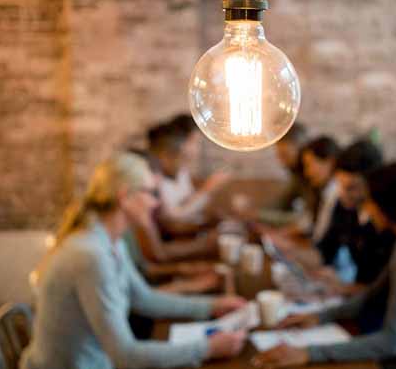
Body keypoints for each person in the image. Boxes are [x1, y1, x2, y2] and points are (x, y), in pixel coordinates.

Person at [21, 153, 246, 369]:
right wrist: (207, 348)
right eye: (150, 193)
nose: (156, 203)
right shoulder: (91, 255)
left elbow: (143, 298)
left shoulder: (111, 240)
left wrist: (212, 307)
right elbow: (126, 355)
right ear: (125, 196)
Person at [252, 163, 396, 369]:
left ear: (386, 206)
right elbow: (373, 295)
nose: (366, 209)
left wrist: (308, 353)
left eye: (369, 202)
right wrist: (321, 317)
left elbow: (392, 341)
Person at [316, 139, 392, 284]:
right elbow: (326, 250)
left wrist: (341, 287)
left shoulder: (386, 222)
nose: (343, 194)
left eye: (351, 188)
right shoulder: (344, 206)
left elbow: (384, 288)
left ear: (372, 183)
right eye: (340, 184)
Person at [148, 121, 230, 235]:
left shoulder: (181, 172)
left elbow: (188, 204)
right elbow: (172, 219)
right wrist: (207, 189)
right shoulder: (153, 179)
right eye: (194, 142)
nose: (195, 149)